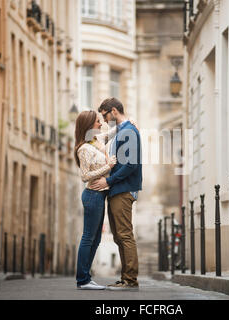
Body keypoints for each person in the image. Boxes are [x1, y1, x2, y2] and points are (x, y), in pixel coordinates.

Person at [92, 98, 143, 291]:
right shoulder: (123, 130)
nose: (104, 120)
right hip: (117, 190)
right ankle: (126, 278)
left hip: (122, 189)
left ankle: (130, 279)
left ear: (113, 111)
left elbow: (130, 165)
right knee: (119, 236)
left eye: (105, 115)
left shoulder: (128, 131)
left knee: (124, 234)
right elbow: (98, 139)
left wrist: (108, 181)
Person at [74, 110, 117, 290]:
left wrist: (126, 123)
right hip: (92, 195)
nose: (101, 124)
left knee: (96, 238)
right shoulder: (84, 148)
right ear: (89, 125)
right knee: (88, 238)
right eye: (98, 122)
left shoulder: (96, 141)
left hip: (100, 195)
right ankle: (82, 279)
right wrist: (108, 166)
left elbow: (110, 133)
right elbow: (85, 176)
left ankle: (86, 277)